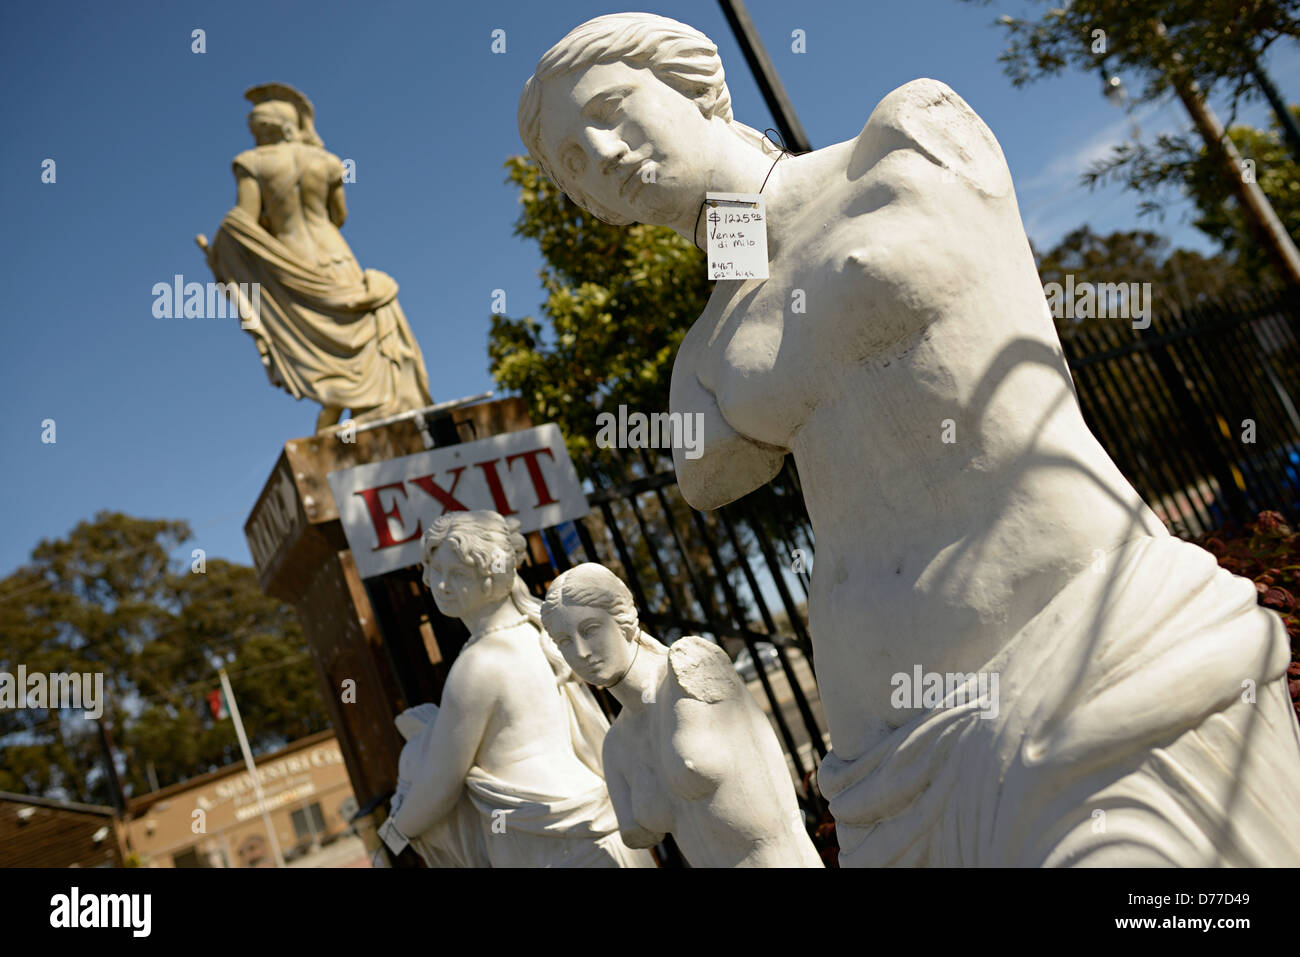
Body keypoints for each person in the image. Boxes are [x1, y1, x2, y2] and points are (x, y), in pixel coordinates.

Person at [520, 13, 1300, 865]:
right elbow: (705, 473)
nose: (600, 153)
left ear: (692, 82)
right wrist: (733, 251)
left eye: (611, 108)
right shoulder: (703, 357)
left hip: (1089, 640)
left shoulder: (904, 139)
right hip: (883, 739)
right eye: (572, 164)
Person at [386, 511, 653, 868]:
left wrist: (390, 836)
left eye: (458, 574)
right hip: (595, 815)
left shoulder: (479, 664)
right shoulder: (536, 633)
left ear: (490, 577)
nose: (442, 585)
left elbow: (440, 785)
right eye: (436, 571)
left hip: (544, 837)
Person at [542, 563, 822, 867]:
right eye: (565, 642)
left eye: (590, 629)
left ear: (623, 619)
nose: (581, 652)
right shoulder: (616, 747)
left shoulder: (689, 667)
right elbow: (638, 835)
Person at [204, 83, 432, 431]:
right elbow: (338, 215)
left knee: (320, 344)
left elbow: (242, 221)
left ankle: (342, 411)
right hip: (339, 258)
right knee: (357, 334)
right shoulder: (326, 161)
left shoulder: (252, 162)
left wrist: (222, 254)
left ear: (266, 127)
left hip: (294, 261)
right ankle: (364, 410)